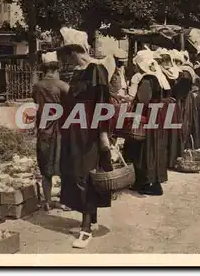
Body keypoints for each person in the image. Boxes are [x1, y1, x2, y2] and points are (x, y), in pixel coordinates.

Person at [57, 27, 115, 249]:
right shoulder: (79, 72)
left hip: (89, 130)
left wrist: (102, 134)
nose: (67, 59)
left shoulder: (96, 70)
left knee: (86, 177)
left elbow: (102, 102)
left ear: (75, 51)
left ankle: (86, 227)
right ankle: (89, 219)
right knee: (76, 173)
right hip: (75, 130)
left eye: (68, 54)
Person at [124, 49, 171, 196]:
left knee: (143, 149)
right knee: (155, 148)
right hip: (157, 115)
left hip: (148, 115)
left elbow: (142, 102)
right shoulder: (157, 78)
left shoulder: (146, 80)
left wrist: (134, 119)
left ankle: (144, 182)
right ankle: (155, 182)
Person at [32, 51, 70, 212]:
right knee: (63, 165)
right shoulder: (63, 86)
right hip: (60, 129)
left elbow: (35, 102)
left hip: (43, 129)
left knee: (45, 165)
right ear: (56, 68)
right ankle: (64, 200)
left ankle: (47, 201)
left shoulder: (37, 87)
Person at [171, 50, 200, 151]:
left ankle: (182, 148)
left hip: (183, 100)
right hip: (184, 99)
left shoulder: (184, 72)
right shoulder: (182, 71)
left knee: (184, 123)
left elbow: (185, 87)